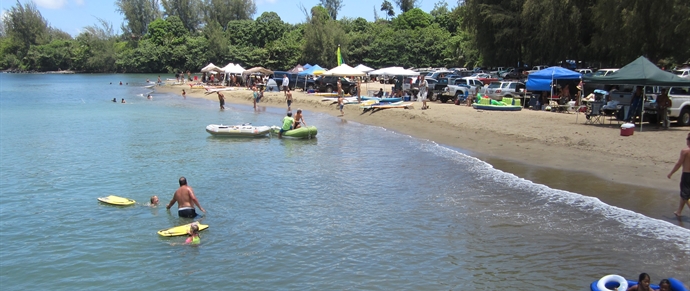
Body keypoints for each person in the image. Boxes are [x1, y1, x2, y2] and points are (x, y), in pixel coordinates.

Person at [667, 132, 690, 218]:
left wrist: (671, 173)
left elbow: (679, 164)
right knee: (685, 194)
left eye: (687, 139)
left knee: (685, 196)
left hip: (687, 175)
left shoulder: (685, 151)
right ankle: (679, 211)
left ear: (688, 141)